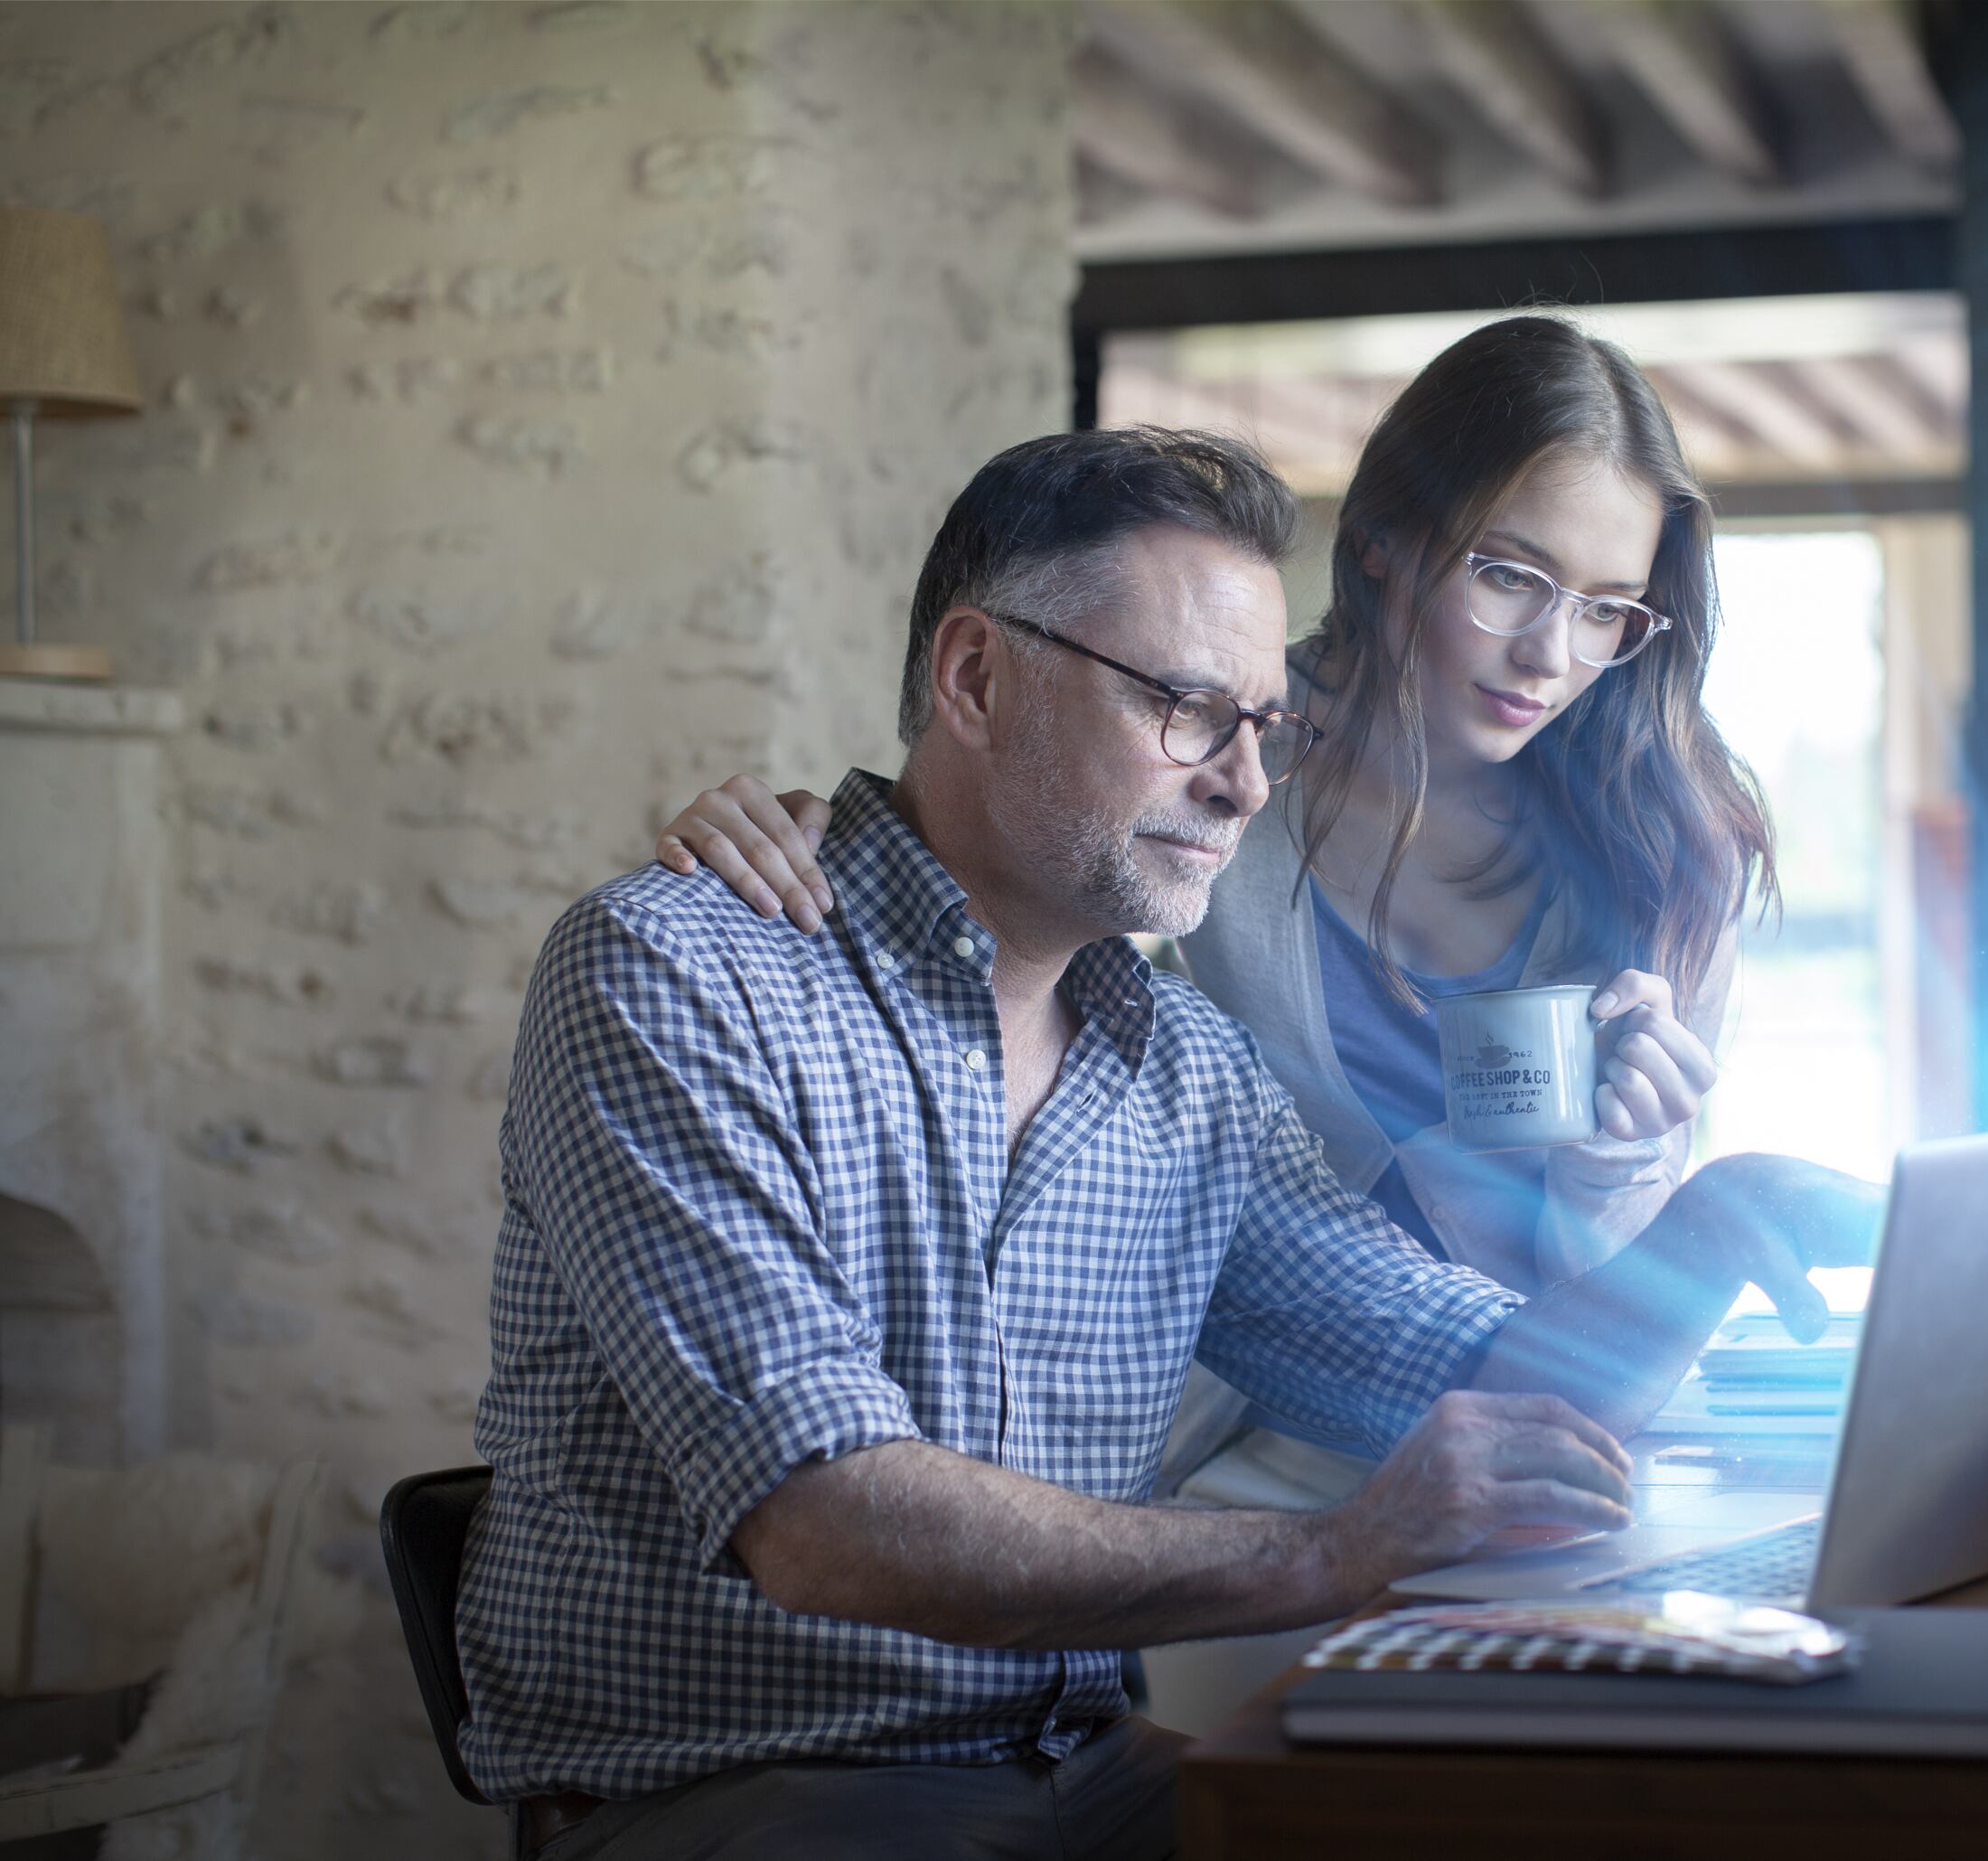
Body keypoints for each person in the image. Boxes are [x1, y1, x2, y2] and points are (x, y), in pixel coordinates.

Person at [461, 425, 1877, 1859]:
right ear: (975, 677)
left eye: (1263, 725)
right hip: (751, 1790)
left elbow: (1482, 1388)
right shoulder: (680, 969)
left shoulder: (1182, 1068)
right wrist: (1335, 1551)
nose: (1244, 787)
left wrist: (1709, 1229)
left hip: (1087, 1766)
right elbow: (828, 1523)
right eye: (1188, 710)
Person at [657, 317, 1777, 1507]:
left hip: (1525, 1406)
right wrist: (813, 838)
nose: (1551, 654)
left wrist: (1623, 1170)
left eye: (1608, 608)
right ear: (1392, 543)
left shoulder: (1671, 843)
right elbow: (1007, 848)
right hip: (1218, 1452)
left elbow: (1589, 1323)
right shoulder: (1218, 748)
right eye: (1507, 575)